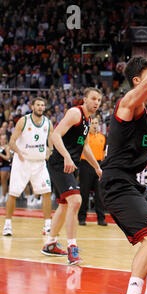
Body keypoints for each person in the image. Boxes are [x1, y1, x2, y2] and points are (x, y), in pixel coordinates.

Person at [100, 43, 147, 294]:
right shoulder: (127, 103)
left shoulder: (143, 113)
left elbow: (136, 151)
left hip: (130, 183)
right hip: (116, 184)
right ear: (136, 80)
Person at [41, 88, 102, 266]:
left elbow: (85, 147)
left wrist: (97, 167)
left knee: (65, 205)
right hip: (60, 164)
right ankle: (72, 248)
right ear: (84, 99)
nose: (96, 102)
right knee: (75, 200)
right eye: (93, 98)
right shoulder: (75, 113)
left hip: (70, 166)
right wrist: (67, 156)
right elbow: (55, 135)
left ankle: (51, 243)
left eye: (99, 100)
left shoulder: (88, 119)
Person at [2, 98, 53, 237]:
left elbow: (51, 141)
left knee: (46, 192)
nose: (40, 107)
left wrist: (50, 150)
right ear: (32, 106)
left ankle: (48, 225)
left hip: (40, 163)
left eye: (43, 105)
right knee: (13, 193)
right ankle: (7, 225)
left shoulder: (48, 123)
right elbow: (12, 141)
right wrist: (19, 152)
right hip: (22, 162)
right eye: (38, 105)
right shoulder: (24, 121)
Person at [78, 117, 107, 226]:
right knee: (84, 193)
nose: (94, 125)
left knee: (99, 194)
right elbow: (79, 148)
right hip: (86, 165)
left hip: (99, 165)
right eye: (92, 123)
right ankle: (81, 218)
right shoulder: (84, 137)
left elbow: (104, 152)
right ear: (88, 125)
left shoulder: (102, 137)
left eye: (96, 123)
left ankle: (101, 219)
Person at [0, 134, 11, 204]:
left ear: (6, 140)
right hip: (1, 166)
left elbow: (8, 158)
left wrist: (1, 155)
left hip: (5, 166)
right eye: (1, 139)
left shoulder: (7, 147)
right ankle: (4, 195)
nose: (2, 140)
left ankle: (4, 196)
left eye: (4, 139)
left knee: (4, 182)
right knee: (2, 182)